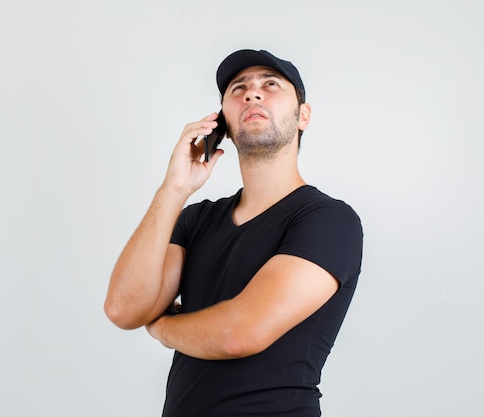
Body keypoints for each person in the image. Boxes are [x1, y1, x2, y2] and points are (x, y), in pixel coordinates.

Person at [104, 49, 363, 417]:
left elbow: (239, 333)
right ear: (222, 121)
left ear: (302, 115)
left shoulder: (328, 220)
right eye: (238, 88)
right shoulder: (196, 219)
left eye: (270, 85)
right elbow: (124, 308)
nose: (252, 93)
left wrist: (162, 327)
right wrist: (173, 190)